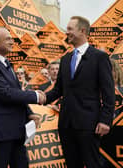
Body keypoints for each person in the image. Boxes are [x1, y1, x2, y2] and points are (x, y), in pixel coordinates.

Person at [44, 16, 115, 168]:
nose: (66, 32)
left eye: (70, 29)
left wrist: (105, 120)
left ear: (82, 31)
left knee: (92, 164)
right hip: (66, 124)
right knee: (72, 164)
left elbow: (109, 93)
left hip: (89, 124)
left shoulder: (99, 57)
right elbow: (58, 90)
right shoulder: (65, 59)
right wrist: (39, 97)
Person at [0, 27, 45, 168]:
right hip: (1, 131)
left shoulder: (6, 63)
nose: (12, 41)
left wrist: (29, 114)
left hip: (17, 130)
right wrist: (35, 96)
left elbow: (16, 92)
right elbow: (6, 94)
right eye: (8, 39)